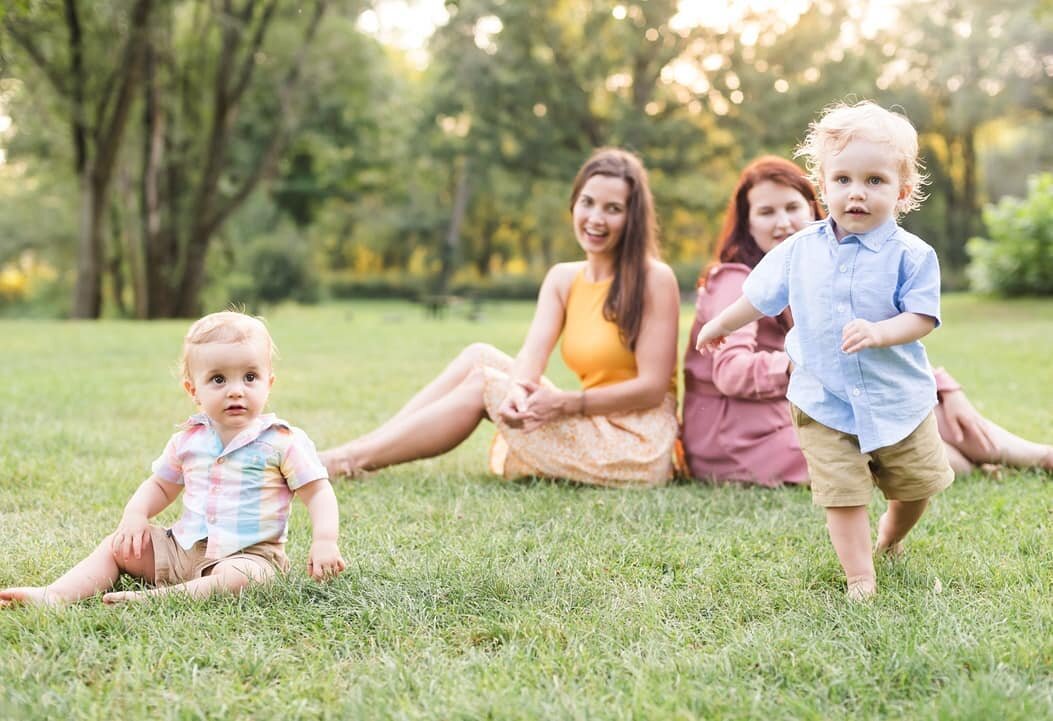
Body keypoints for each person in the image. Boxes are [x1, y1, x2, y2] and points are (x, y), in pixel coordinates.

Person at [695, 101, 954, 601]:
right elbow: (758, 296)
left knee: (915, 488)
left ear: (901, 192)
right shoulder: (798, 249)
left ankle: (891, 537)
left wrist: (881, 332)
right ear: (824, 186)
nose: (857, 192)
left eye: (875, 181)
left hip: (896, 399)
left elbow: (923, 316)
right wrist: (718, 326)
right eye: (843, 180)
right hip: (822, 400)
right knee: (842, 494)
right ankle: (860, 577)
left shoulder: (914, 256)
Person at [321, 147, 680, 488]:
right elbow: (532, 354)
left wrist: (566, 404)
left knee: (484, 384)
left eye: (613, 208)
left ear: (632, 218)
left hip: (637, 442)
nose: (595, 219)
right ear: (574, 203)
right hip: (590, 420)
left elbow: (651, 389)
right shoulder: (563, 278)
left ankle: (347, 461)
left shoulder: (655, 280)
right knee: (480, 355)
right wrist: (518, 389)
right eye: (587, 203)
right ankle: (365, 449)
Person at [682, 157, 1053, 484]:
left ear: (814, 208)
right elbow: (731, 371)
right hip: (742, 435)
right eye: (766, 212)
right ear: (746, 224)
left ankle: (1038, 456)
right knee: (929, 456)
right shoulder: (735, 279)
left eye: (792, 207)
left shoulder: (829, 265)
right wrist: (806, 364)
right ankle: (987, 463)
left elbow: (880, 335)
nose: (783, 223)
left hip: (796, 407)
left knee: (914, 409)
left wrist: (944, 388)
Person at [0, 311, 346, 607]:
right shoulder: (188, 440)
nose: (236, 389)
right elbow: (161, 486)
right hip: (182, 549)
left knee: (246, 577)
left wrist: (325, 541)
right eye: (218, 379)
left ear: (269, 383)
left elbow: (317, 492)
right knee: (120, 546)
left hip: (249, 556)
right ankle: (56, 595)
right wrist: (135, 514)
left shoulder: (282, 441)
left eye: (250, 377)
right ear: (193, 390)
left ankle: (161, 599)